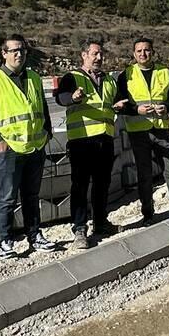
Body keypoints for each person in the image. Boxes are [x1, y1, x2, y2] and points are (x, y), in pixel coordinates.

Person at [0, 34, 57, 260]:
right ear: (4, 54)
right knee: (8, 198)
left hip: (35, 147)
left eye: (22, 50)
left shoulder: (34, 78)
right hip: (9, 150)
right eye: (13, 51)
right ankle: (4, 242)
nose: (19, 54)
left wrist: (47, 132)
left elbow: (42, 108)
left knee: (31, 196)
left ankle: (35, 235)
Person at [56, 40, 127, 249]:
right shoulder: (73, 77)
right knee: (80, 186)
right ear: (84, 55)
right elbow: (61, 97)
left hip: (104, 140)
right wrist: (73, 98)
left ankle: (101, 223)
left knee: (102, 184)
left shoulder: (108, 81)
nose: (99, 58)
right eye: (95, 54)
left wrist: (121, 104)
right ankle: (79, 229)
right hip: (82, 141)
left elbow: (117, 101)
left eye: (101, 54)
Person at [115, 38, 169, 223]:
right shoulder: (126, 75)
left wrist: (166, 107)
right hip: (138, 132)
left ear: (153, 52)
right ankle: (148, 214)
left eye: (147, 50)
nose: (143, 54)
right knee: (144, 175)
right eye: (139, 51)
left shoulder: (164, 71)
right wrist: (136, 110)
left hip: (161, 130)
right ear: (134, 54)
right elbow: (119, 104)